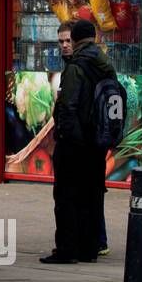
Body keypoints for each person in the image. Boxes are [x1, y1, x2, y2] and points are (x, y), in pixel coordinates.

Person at [41, 18, 114, 263]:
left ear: (76, 39)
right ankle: (89, 249)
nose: (65, 44)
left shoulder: (76, 67)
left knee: (66, 197)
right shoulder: (105, 64)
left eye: (68, 39)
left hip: (76, 144)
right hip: (98, 143)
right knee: (91, 198)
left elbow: (69, 107)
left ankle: (67, 250)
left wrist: (65, 135)